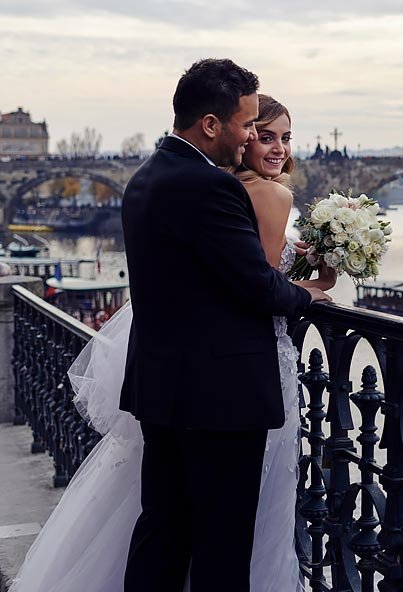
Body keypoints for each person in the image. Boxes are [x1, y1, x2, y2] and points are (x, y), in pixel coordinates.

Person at [11, 61, 334, 592]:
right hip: (220, 399)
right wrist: (308, 292)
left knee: (163, 530)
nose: (253, 136)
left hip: (165, 390)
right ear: (212, 124)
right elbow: (255, 285)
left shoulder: (149, 176)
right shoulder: (210, 187)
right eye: (249, 124)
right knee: (222, 545)